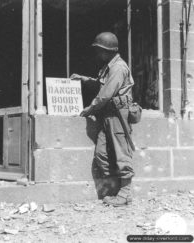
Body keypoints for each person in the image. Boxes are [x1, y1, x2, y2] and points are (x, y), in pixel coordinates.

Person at [71, 32, 134, 207]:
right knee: (101, 154)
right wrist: (83, 79)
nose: (97, 54)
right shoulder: (109, 66)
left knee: (122, 154)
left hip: (117, 115)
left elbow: (105, 95)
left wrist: (90, 108)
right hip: (106, 115)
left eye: (99, 50)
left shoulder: (119, 67)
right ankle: (114, 192)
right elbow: (101, 84)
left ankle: (125, 194)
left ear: (108, 50)